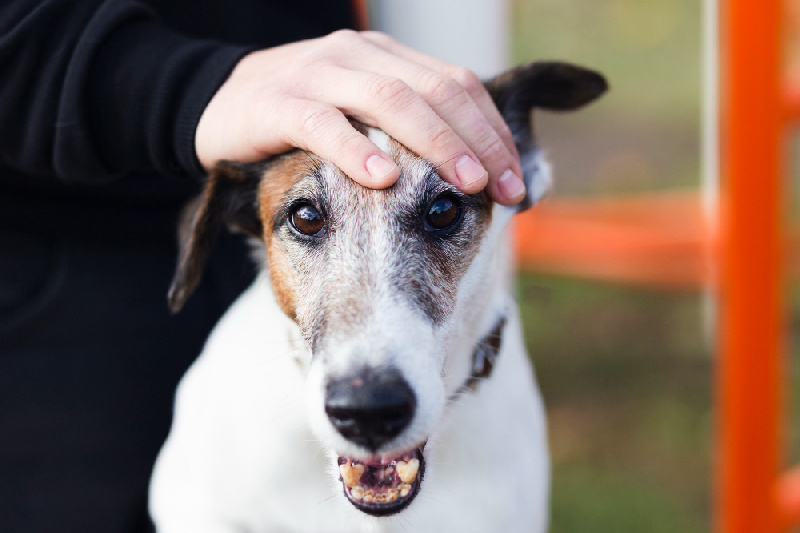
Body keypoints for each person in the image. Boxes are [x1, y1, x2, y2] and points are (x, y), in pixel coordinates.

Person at [0, 1, 526, 531]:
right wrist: (196, 84)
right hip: (47, 244)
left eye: (439, 214)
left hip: (301, 112)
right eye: (310, 219)